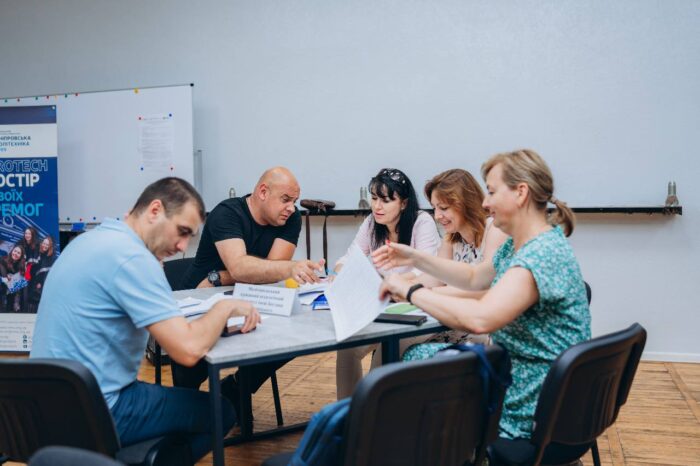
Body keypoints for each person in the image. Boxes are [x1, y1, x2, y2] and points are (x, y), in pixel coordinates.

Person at [30, 177, 261, 461]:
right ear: (155, 210)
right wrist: (224, 308)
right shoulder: (133, 258)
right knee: (220, 411)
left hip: (40, 406)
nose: (182, 246)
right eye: (182, 231)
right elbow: (188, 350)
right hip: (97, 409)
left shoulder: (88, 241)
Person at [375, 149, 591, 441]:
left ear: (521, 193)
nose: (485, 202)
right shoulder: (526, 244)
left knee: (415, 368)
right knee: (416, 357)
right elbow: (475, 277)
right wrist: (415, 257)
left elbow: (480, 319)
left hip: (529, 406)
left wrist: (411, 291)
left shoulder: (539, 255)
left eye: (491, 191)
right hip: (530, 381)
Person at [174, 167, 324, 429]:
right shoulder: (226, 213)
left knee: (293, 339)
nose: (291, 208)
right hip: (198, 297)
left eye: (295, 201)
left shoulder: (291, 218)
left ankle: (235, 387)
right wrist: (281, 268)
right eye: (285, 199)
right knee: (193, 365)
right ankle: (188, 412)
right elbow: (244, 268)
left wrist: (220, 276)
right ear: (263, 192)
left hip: (242, 293)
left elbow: (268, 271)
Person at [334, 168, 440, 399]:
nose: (377, 206)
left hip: (417, 309)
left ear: (403, 203)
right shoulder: (371, 223)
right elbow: (347, 260)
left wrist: (389, 283)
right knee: (348, 347)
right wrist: (342, 273)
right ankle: (348, 412)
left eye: (386, 200)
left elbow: (426, 271)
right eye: (374, 198)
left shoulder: (422, 222)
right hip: (383, 308)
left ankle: (372, 411)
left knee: (385, 350)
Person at [409, 168, 508, 345]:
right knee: (392, 347)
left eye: (443, 208)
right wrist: (400, 288)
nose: (437, 216)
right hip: (459, 321)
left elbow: (485, 289)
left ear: (466, 204)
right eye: (434, 208)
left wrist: (421, 294)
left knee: (408, 348)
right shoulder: (451, 238)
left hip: (487, 329)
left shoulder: (494, 230)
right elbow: (434, 278)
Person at [27, 235, 57, 313]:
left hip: (43, 283)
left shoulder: (52, 257)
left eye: (47, 244)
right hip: (34, 281)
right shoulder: (39, 254)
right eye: (44, 243)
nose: (45, 246)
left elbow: (47, 272)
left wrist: (40, 282)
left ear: (50, 246)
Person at [0, 244, 27, 312]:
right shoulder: (3, 260)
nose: (16, 254)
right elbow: (4, 277)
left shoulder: (21, 266)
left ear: (21, 256)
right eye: (15, 251)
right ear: (12, 251)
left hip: (11, 292)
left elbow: (18, 285)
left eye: (18, 253)